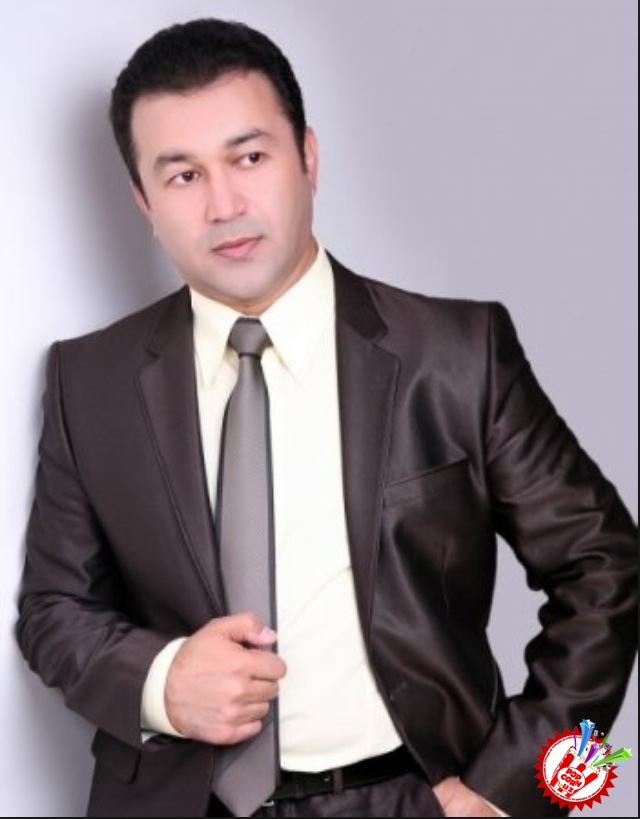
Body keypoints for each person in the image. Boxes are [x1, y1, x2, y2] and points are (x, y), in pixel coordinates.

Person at [15, 17, 637, 819]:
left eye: (249, 157)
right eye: (184, 176)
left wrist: (521, 788)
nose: (224, 205)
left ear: (307, 157)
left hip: (412, 798)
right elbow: (53, 611)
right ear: (143, 200)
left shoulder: (457, 352)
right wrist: (160, 683)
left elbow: (605, 563)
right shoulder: (88, 378)